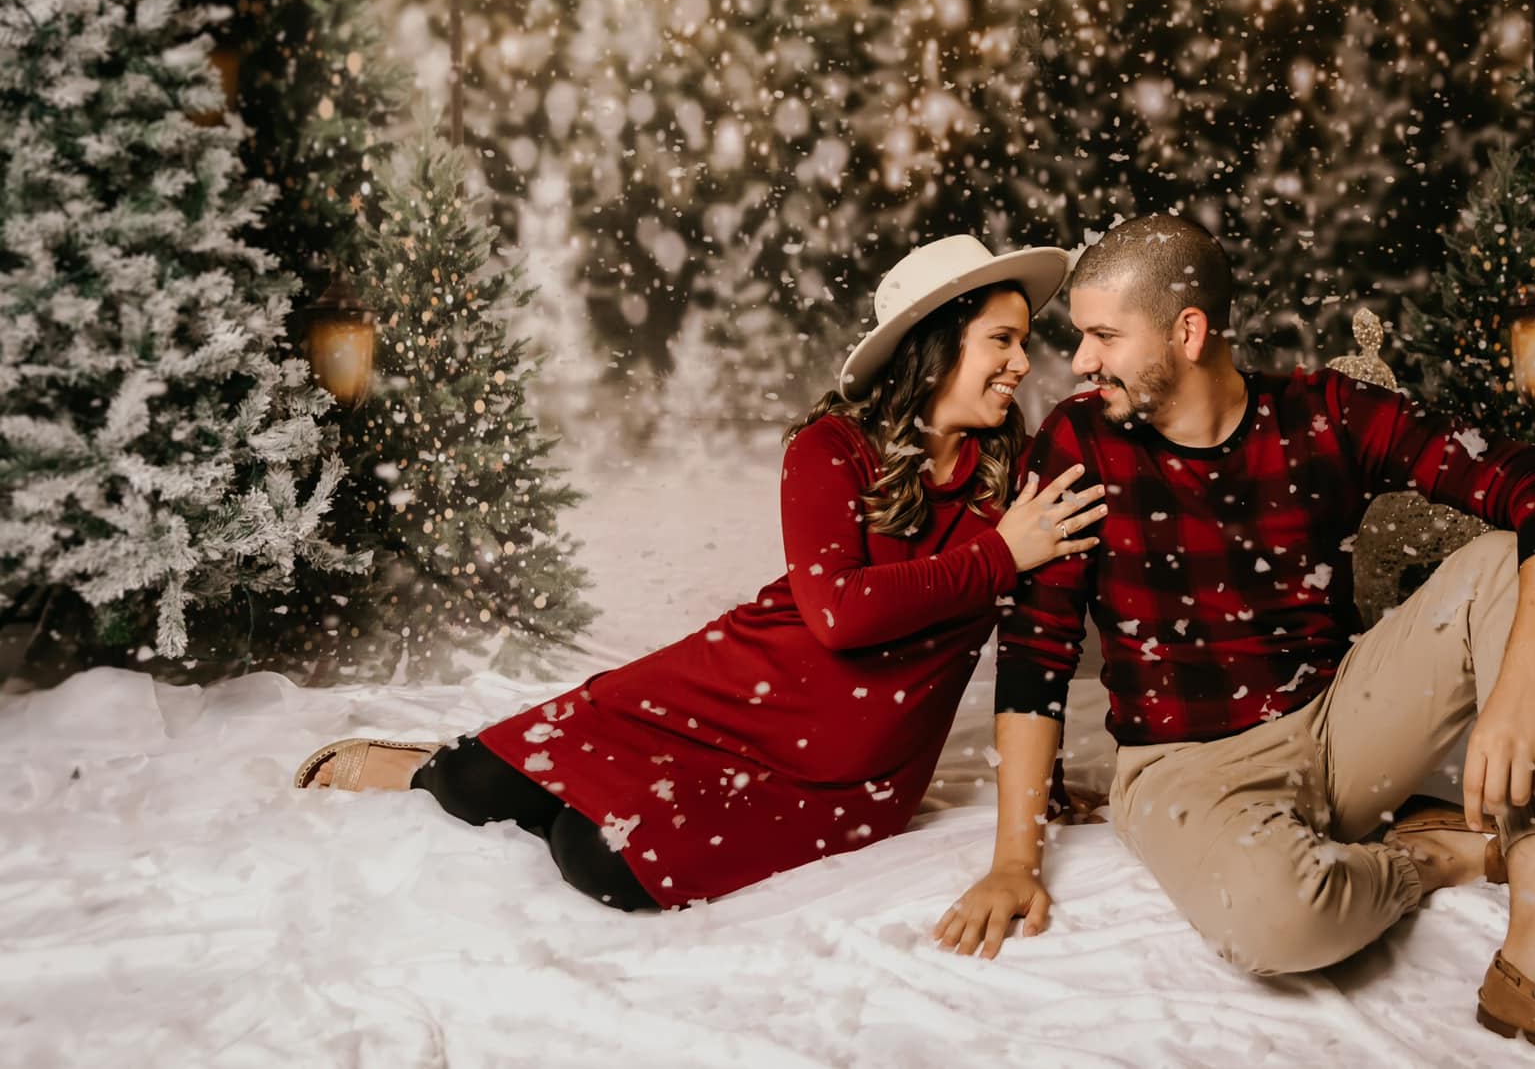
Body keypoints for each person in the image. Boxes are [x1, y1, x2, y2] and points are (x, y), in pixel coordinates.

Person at [932, 215, 1535, 1069]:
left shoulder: (1324, 413)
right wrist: (1015, 859)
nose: (1082, 361)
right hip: (1183, 767)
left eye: (1103, 335)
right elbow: (1037, 653)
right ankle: (1427, 856)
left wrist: (1526, 685)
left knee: (1512, 560)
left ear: (1188, 332)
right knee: (1280, 924)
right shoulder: (1079, 440)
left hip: (1338, 726)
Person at [296, 235, 1108, 913]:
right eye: (1001, 339)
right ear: (935, 344)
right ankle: (445, 762)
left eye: (1021, 340)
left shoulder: (1018, 482)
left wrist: (1045, 779)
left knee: (599, 862)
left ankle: (579, 792)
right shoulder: (831, 448)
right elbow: (840, 616)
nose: (1020, 361)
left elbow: (1044, 637)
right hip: (732, 692)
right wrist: (998, 556)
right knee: (470, 784)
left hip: (849, 773)